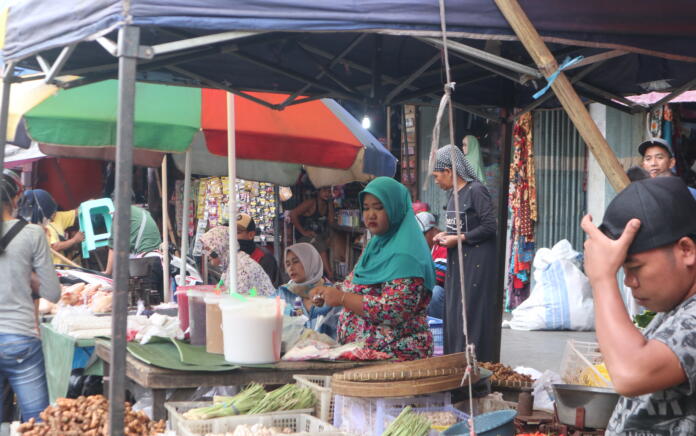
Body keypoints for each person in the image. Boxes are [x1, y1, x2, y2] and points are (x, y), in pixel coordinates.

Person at [581, 176, 696, 435]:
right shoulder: (674, 307)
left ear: (686, 250)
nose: (630, 282)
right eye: (622, 270)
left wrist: (602, 279)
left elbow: (631, 374)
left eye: (635, 268)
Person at [309, 177, 435, 361]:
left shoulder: (406, 254)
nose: (370, 215)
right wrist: (329, 291)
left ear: (396, 208)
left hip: (395, 361)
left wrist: (343, 299)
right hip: (364, 357)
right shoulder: (376, 245)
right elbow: (354, 284)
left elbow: (395, 309)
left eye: (379, 207)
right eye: (366, 208)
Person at [0, 170, 60, 422]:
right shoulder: (33, 233)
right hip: (19, 339)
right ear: (15, 199)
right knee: (37, 423)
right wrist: (28, 278)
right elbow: (52, 293)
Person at [432, 144, 497, 361]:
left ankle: (475, 371)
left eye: (437, 176)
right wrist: (444, 235)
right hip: (457, 263)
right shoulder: (453, 195)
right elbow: (459, 227)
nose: (436, 181)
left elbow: (490, 226)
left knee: (471, 316)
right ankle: (456, 365)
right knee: (454, 315)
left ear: (449, 171)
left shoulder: (476, 190)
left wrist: (458, 238)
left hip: (477, 264)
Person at [276, 242, 339, 338]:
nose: (291, 268)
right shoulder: (284, 293)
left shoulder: (331, 293)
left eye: (296, 261)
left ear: (310, 261)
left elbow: (338, 333)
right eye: (287, 264)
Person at [200, 226, 275, 296]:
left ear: (220, 247)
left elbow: (239, 301)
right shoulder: (231, 264)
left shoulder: (240, 268)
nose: (207, 255)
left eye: (209, 250)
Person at [19, 189, 84, 264]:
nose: (54, 214)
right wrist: (75, 240)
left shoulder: (57, 217)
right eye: (51, 213)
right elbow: (55, 247)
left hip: (65, 270)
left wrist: (90, 204)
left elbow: (76, 212)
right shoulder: (34, 233)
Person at [103, 204, 162, 275]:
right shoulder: (141, 211)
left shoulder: (120, 214)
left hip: (143, 258)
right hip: (158, 256)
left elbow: (113, 246)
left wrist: (107, 272)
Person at [290, 187, 334, 279]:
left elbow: (331, 221)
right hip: (304, 236)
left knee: (326, 242)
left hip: (318, 236)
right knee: (320, 243)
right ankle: (330, 275)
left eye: (329, 191)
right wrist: (303, 231)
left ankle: (322, 274)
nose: (327, 193)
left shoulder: (327, 205)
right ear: (318, 192)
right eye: (324, 190)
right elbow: (293, 214)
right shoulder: (311, 203)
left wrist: (330, 204)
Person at [415, 211, 447, 319]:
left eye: (422, 234)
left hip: (452, 298)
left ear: (435, 231)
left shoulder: (443, 246)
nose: (419, 239)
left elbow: (437, 279)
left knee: (434, 292)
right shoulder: (422, 250)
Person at [237, 213, 279, 287]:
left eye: (237, 232)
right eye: (230, 232)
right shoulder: (230, 255)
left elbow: (269, 290)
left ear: (251, 235)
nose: (232, 236)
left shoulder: (264, 257)